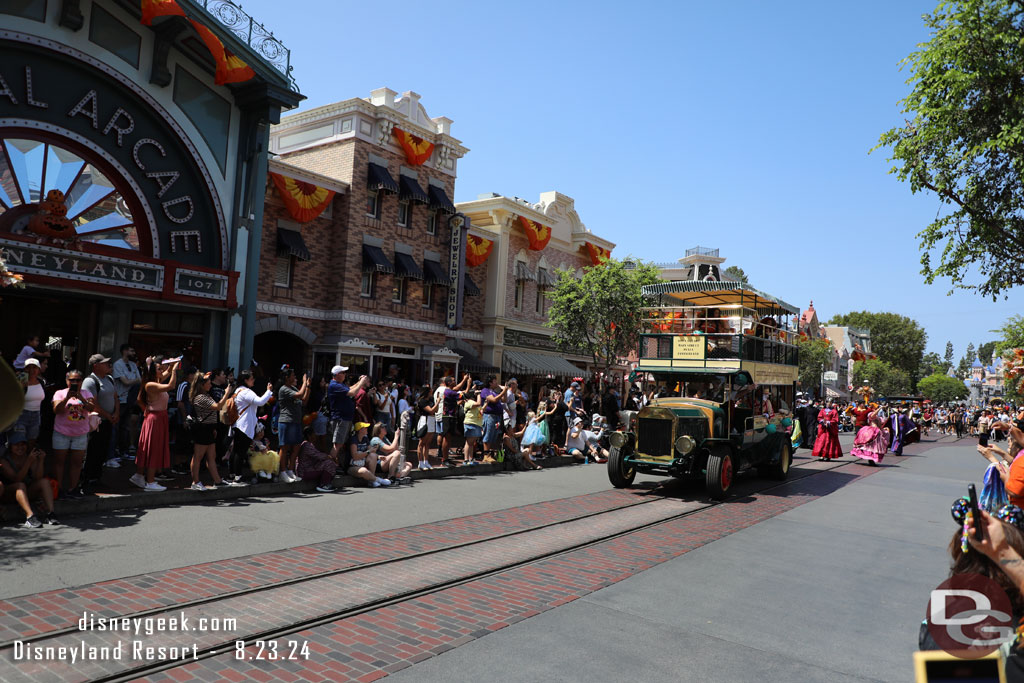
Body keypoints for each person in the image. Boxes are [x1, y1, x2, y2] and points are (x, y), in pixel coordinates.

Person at [130, 358, 178, 492]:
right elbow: (171, 386)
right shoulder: (151, 384)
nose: (161, 370)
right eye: (158, 368)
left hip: (156, 417)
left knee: (148, 447)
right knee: (153, 449)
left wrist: (171, 366)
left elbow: (139, 399)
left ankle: (139, 475)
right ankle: (150, 482)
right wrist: (174, 371)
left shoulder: (154, 382)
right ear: (152, 372)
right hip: (155, 418)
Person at [187, 371, 237, 491]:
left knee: (211, 457)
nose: (210, 385)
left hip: (209, 428)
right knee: (198, 457)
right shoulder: (200, 397)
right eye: (208, 383)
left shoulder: (207, 395)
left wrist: (213, 428)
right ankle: (195, 481)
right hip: (202, 429)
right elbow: (217, 407)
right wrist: (226, 394)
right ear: (202, 384)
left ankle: (218, 480)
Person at [51, 369, 96, 497]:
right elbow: (56, 410)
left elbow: (91, 408)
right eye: (72, 380)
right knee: (59, 462)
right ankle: (58, 489)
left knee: (76, 462)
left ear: (82, 381)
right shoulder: (59, 393)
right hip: (61, 432)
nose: (75, 382)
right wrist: (67, 398)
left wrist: (80, 397)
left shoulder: (87, 393)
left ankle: (73, 488)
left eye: (78, 380)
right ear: (67, 381)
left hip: (80, 433)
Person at [0, 431, 57, 527]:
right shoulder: (4, 460)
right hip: (9, 493)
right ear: (10, 446)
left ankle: (50, 513)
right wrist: (28, 462)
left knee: (44, 482)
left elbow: (38, 477)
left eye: (23, 445)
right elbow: (17, 479)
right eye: (16, 445)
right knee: (20, 485)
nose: (20, 448)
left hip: (26, 492)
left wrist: (40, 461)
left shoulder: (30, 456)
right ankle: (30, 516)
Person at [226, 369, 273, 483]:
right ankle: (237, 477)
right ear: (246, 380)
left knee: (236, 451)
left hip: (239, 424)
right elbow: (261, 401)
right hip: (245, 426)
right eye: (251, 379)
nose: (253, 380)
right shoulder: (246, 392)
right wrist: (268, 391)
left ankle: (232, 475)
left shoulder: (238, 390)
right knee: (240, 452)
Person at [81, 354, 119, 486]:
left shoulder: (109, 379)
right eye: (104, 363)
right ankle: (86, 479)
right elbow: (93, 403)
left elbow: (115, 397)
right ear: (96, 366)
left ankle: (96, 477)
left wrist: (116, 413)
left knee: (103, 450)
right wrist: (108, 415)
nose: (108, 365)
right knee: (93, 450)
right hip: (96, 422)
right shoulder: (90, 381)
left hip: (108, 421)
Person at [326, 366, 368, 463]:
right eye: (343, 373)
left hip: (346, 418)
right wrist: (361, 382)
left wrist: (359, 381)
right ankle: (329, 466)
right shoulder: (334, 385)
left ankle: (335, 464)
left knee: (341, 444)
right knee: (338, 444)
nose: (345, 374)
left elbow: (350, 388)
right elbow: (352, 392)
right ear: (337, 375)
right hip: (340, 419)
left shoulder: (340, 384)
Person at [276, 367, 310, 484]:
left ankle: (291, 470)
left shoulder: (293, 388)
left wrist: (308, 386)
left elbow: (304, 400)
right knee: (284, 447)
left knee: (296, 447)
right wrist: (304, 382)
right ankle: (283, 472)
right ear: (287, 377)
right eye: (293, 375)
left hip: (296, 421)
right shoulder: (284, 389)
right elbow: (300, 394)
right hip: (286, 421)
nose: (295, 377)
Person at [111, 343, 142, 460]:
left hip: (130, 400)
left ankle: (124, 451)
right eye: (131, 350)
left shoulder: (133, 365)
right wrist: (133, 380)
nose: (134, 353)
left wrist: (131, 380)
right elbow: (125, 382)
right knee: (116, 427)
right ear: (124, 351)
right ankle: (113, 453)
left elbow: (139, 380)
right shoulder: (117, 365)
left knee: (125, 427)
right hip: (120, 400)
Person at [438, 373, 471, 465]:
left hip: (450, 416)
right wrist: (468, 384)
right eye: (453, 380)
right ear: (449, 382)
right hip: (448, 417)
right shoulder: (449, 392)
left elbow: (457, 388)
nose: (455, 381)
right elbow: (465, 395)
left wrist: (464, 379)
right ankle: (444, 459)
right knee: (447, 438)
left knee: (449, 439)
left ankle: (446, 458)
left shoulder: (450, 390)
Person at [13, 358, 45, 453]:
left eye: (34, 367)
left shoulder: (42, 382)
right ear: (24, 369)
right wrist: (20, 387)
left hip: (36, 416)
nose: (31, 370)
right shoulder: (19, 381)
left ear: (39, 369)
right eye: (28, 368)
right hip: (21, 415)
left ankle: (28, 464)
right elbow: (13, 399)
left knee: (31, 443)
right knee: (19, 443)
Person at [296, 425, 339, 492]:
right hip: (305, 472)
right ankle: (323, 485)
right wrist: (330, 457)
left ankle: (325, 482)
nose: (315, 435)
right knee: (329, 463)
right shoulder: (306, 445)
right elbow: (319, 456)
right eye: (314, 434)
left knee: (329, 463)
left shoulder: (309, 444)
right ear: (309, 435)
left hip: (309, 468)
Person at [347, 422, 390, 487]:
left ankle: (371, 481)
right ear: (360, 430)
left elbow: (371, 451)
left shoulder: (365, 439)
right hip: (353, 466)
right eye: (365, 428)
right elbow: (355, 456)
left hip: (363, 463)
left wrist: (378, 456)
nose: (367, 429)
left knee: (373, 455)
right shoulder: (353, 439)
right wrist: (368, 452)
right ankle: (377, 480)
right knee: (364, 471)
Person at [480, 376, 508, 463]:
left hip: (497, 416)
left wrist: (505, 392)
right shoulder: (485, 391)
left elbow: (504, 400)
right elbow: (494, 400)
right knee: (488, 434)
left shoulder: (495, 392)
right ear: (490, 383)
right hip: (489, 416)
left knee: (493, 435)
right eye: (495, 381)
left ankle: (489, 454)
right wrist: (503, 391)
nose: (497, 383)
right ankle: (486, 455)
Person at [414, 384, 437, 470]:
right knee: (422, 442)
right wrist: (438, 402)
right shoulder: (422, 401)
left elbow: (436, 410)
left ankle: (426, 461)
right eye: (430, 390)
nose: (432, 392)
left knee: (428, 443)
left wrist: (436, 403)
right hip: (425, 420)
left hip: (431, 420)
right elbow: (431, 411)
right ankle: (420, 462)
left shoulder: (431, 400)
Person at [461, 389, 483, 465]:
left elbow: (481, 411)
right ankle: (466, 460)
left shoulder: (473, 403)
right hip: (470, 423)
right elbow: (479, 403)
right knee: (468, 442)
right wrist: (479, 394)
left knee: (472, 443)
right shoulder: (469, 402)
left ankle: (471, 459)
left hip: (476, 424)